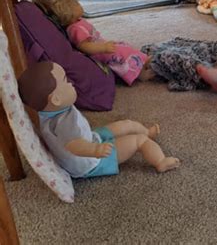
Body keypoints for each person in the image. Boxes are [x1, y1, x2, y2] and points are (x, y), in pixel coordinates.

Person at [18, 61, 180, 177]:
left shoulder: (49, 111)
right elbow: (75, 146)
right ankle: (160, 161)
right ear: (56, 99)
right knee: (139, 141)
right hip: (90, 160)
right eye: (66, 81)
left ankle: (146, 130)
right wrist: (96, 150)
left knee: (126, 124)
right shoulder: (65, 122)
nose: (71, 82)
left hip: (89, 137)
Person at [29, 0, 154, 85]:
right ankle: (140, 72)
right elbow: (83, 46)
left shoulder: (77, 22)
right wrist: (103, 48)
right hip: (98, 52)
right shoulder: (75, 28)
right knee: (121, 53)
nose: (80, 5)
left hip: (100, 46)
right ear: (67, 11)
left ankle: (143, 60)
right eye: (76, 3)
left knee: (123, 46)